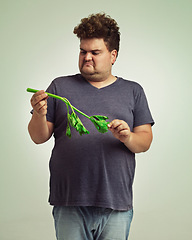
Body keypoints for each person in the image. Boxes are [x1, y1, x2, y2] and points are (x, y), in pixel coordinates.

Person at [28, 13, 154, 240]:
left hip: (116, 202)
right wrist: (38, 113)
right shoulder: (60, 86)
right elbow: (39, 137)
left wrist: (127, 137)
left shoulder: (133, 91)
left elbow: (144, 141)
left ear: (113, 55)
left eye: (95, 52)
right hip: (70, 202)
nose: (87, 57)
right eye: (83, 51)